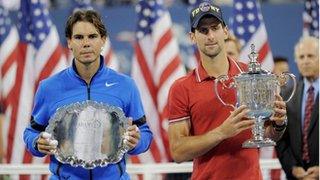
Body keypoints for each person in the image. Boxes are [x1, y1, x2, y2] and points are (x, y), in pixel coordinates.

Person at [23, 9, 153, 179]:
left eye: (92, 36)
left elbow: (145, 133)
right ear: (69, 42)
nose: (86, 43)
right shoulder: (48, 87)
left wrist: (137, 141)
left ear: (103, 40)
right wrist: (36, 143)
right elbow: (31, 132)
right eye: (78, 37)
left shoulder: (125, 85)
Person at [167, 2, 288, 179]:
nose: (210, 36)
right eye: (203, 30)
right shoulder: (181, 88)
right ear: (192, 37)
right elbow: (178, 152)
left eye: (215, 28)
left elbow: (267, 134)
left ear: (225, 31)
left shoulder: (252, 75)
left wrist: (278, 124)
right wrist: (222, 132)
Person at [275, 36, 319, 180]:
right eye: (301, 56)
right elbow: (281, 139)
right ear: (296, 60)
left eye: (310, 56)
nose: (305, 61)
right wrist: (292, 168)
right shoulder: (288, 94)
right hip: (297, 176)